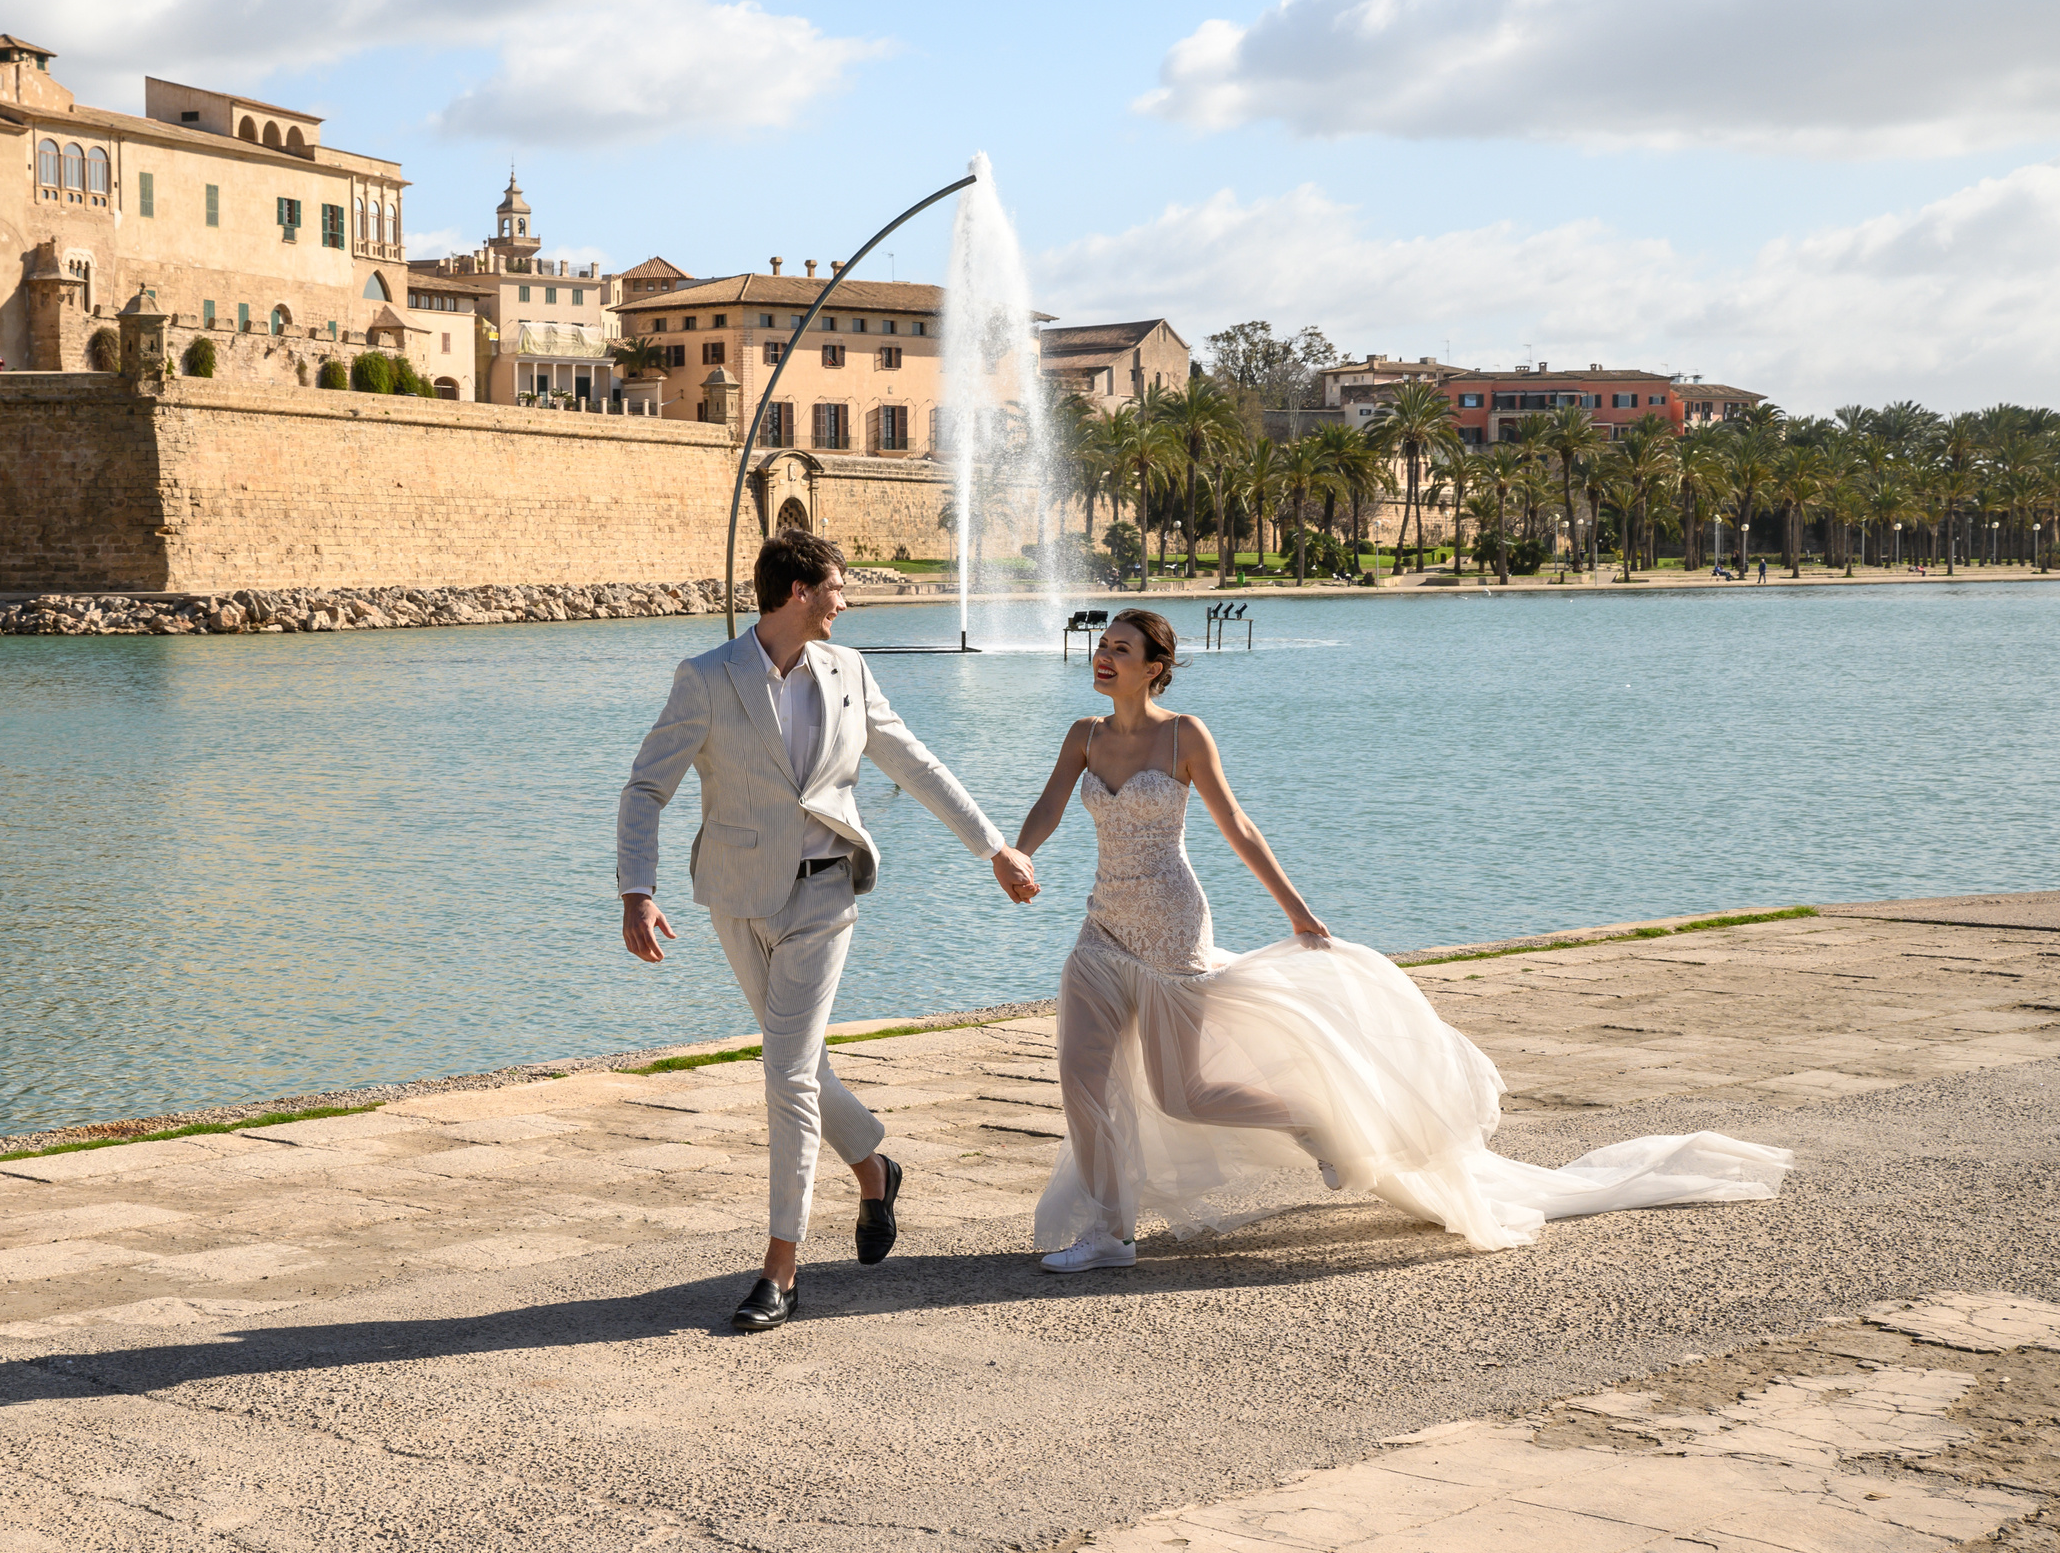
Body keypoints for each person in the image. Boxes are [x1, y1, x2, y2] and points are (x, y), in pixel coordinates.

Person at [1011, 609, 1791, 1271]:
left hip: (1174, 930)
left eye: (1119, 648)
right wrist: (1020, 850)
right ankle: (1110, 1232)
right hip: (1102, 927)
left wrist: (1298, 911)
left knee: (1190, 1092)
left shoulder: (1184, 736)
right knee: (1081, 1074)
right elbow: (1047, 809)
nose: (1102, 656)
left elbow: (1237, 827)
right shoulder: (1083, 734)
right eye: (1101, 645)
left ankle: (1321, 1122)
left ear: (1156, 668)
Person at [618, 531, 1038, 1330]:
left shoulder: (849, 672)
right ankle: (875, 1168)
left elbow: (913, 761)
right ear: (797, 592)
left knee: (784, 1075)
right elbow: (645, 788)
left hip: (826, 895)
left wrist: (993, 844)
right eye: (836, 588)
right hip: (738, 897)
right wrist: (638, 889)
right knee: (800, 1065)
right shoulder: (706, 679)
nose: (846, 601)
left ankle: (781, 1265)